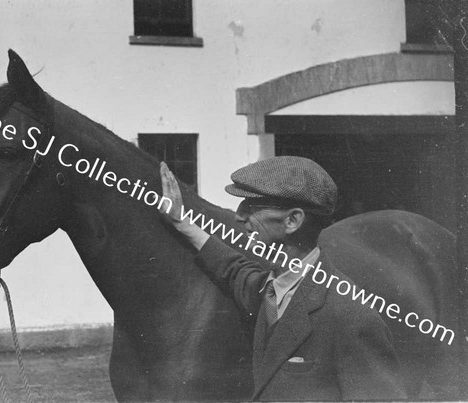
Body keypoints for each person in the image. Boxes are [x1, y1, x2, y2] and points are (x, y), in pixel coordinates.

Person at [159, 157, 407, 401]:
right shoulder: (267, 290)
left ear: (292, 221)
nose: (238, 216)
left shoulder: (351, 317)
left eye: (251, 207)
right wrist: (183, 223)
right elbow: (233, 269)